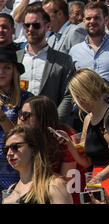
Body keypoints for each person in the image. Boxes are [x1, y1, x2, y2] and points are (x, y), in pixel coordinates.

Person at [60, 68, 109, 199]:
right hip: (95, 179)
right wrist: (69, 143)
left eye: (78, 96)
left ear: (88, 91)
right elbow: (86, 162)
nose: (77, 101)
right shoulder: (88, 119)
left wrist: (99, 177)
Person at [17, 6, 75, 125]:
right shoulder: (15, 58)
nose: (30, 29)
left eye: (36, 25)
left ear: (47, 26)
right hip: (18, 125)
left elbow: (68, 96)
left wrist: (54, 122)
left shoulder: (63, 60)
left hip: (50, 126)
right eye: (27, 25)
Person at [2, 124, 73, 204]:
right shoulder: (11, 189)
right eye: (6, 149)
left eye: (15, 147)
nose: (9, 153)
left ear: (33, 148)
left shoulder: (54, 185)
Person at [17, 96, 77, 185]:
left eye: (26, 115)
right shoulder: (23, 135)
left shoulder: (63, 136)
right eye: (20, 114)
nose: (21, 118)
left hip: (63, 191)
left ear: (42, 117)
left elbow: (66, 179)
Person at [69, 1, 109, 86]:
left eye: (97, 18)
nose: (92, 21)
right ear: (83, 21)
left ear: (106, 20)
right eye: (88, 18)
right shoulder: (75, 51)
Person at [0, 47, 33, 191]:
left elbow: (22, 136)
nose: (1, 72)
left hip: (13, 165)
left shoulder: (25, 98)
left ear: (14, 71)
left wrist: (1, 116)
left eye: (6, 68)